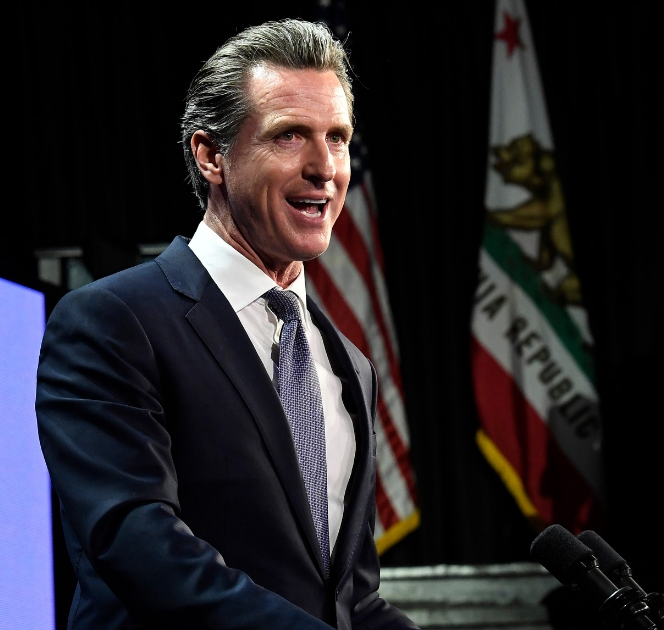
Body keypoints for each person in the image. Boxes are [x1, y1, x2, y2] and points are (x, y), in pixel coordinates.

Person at [36, 19, 419, 630]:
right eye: (291, 135)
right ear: (211, 155)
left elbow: (349, 600)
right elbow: (138, 544)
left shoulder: (350, 363)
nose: (325, 167)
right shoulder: (114, 320)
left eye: (339, 138)